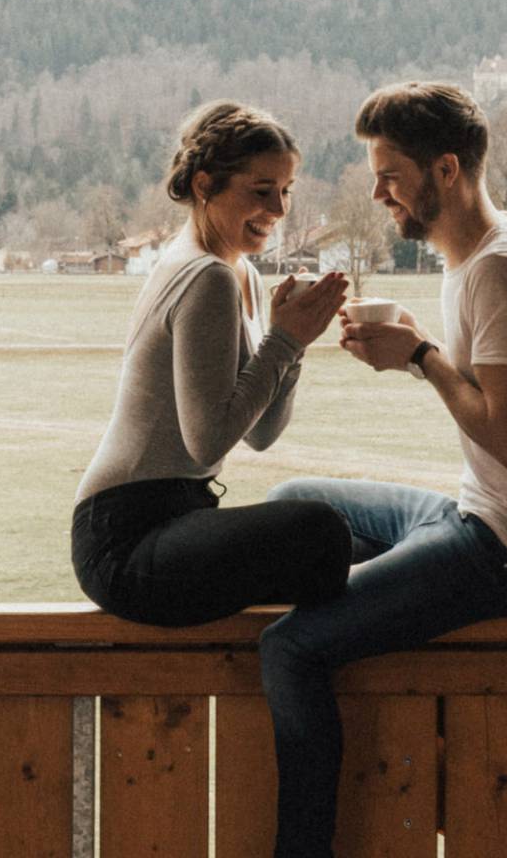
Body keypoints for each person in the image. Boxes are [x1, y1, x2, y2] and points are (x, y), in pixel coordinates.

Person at [259, 81, 507, 856]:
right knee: (293, 511)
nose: (378, 190)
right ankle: (367, 612)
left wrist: (419, 355)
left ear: (445, 171)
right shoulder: (488, 251)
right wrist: (420, 352)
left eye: (388, 173)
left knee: (288, 648)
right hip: (475, 515)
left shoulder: (501, 272)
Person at [71, 101, 354, 628]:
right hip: (125, 541)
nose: (280, 209)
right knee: (323, 532)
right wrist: (286, 342)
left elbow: (262, 433)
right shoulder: (206, 277)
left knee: (335, 534)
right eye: (261, 189)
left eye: (286, 190)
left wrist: (292, 346)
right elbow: (208, 441)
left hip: (177, 518)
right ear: (205, 185)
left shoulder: (240, 274)